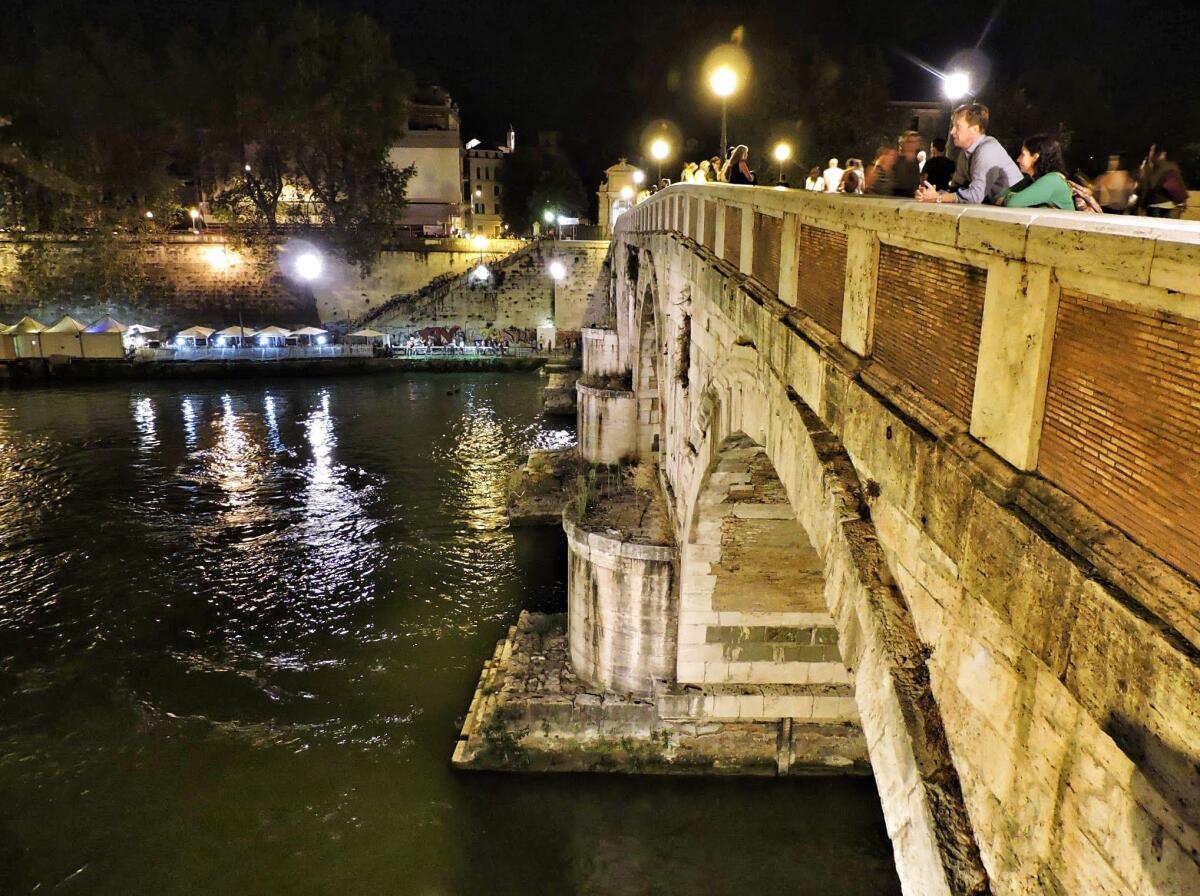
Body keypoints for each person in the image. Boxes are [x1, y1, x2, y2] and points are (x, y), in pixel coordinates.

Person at [916, 103, 1021, 204]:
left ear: (975, 129)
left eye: (958, 126)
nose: (952, 131)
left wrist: (938, 198)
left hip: (1018, 209)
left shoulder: (987, 150)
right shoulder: (965, 152)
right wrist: (931, 194)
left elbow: (976, 195)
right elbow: (956, 189)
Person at [995, 135, 1074, 210]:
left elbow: (1012, 203)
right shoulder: (1031, 179)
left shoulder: (1052, 180)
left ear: (1035, 157)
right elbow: (999, 195)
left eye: (1023, 154)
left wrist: (1013, 197)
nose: (1018, 159)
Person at [1136, 145, 1189, 218]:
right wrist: (1182, 200)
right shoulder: (1169, 166)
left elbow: (1144, 188)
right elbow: (1173, 186)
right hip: (1168, 205)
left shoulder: (1148, 168)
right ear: (1163, 154)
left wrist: (1140, 206)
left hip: (1152, 205)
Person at [891, 131, 923, 196]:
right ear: (904, 143)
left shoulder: (915, 161)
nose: (913, 145)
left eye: (915, 142)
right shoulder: (895, 159)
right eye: (910, 142)